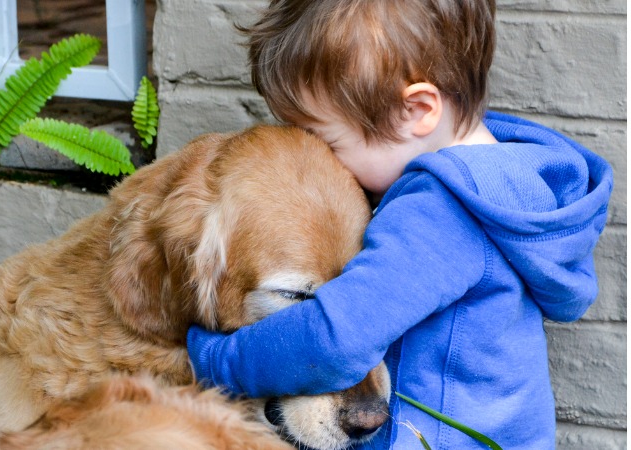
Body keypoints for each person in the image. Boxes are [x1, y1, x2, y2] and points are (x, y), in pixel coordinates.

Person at [185, 0, 614, 449]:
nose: (321, 160)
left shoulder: (440, 215)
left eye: (326, 140)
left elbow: (336, 338)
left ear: (417, 110)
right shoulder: (504, 183)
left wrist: (215, 361)